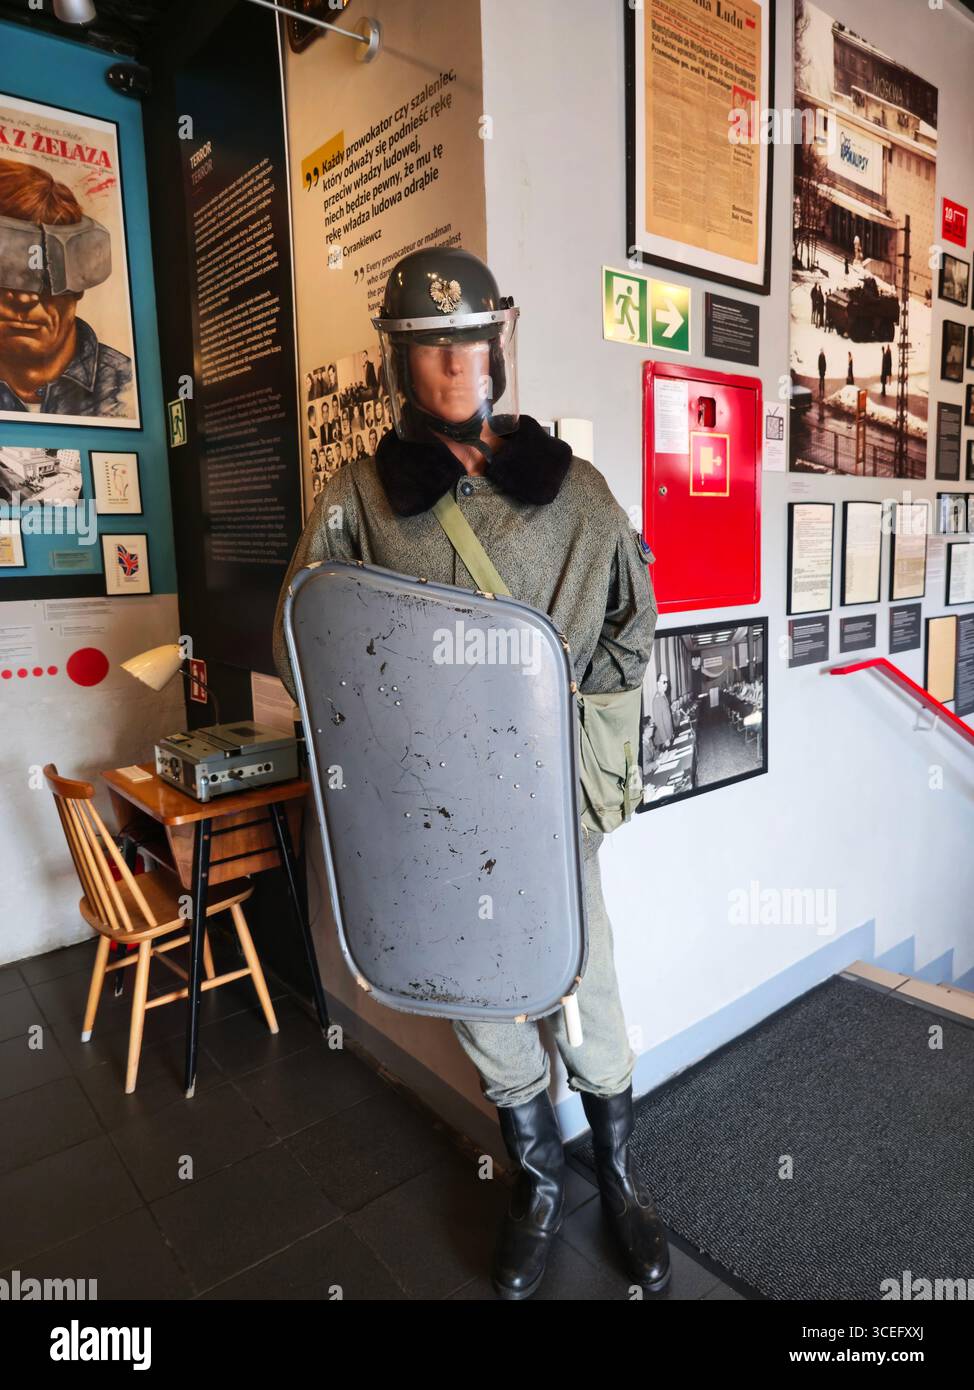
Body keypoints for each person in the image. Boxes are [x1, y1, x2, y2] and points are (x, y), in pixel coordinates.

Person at [272, 245, 667, 1302]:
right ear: (399, 359)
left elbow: (632, 628)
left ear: (499, 343)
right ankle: (536, 1181)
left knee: (587, 992)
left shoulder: (574, 493)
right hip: (434, 813)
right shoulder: (361, 497)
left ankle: (619, 1181)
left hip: (546, 813)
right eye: (430, 345)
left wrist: (579, 740)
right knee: (479, 999)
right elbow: (306, 639)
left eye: (470, 340)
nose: (455, 364)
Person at [0, 158, 135, 419]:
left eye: (47, 274)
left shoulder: (127, 391)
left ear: (78, 279)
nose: (25, 297)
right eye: (4, 270)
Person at [650, 674, 675, 749]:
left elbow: (667, 718)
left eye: (667, 682)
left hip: (668, 735)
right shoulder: (657, 699)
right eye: (664, 682)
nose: (666, 684)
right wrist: (665, 739)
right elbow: (659, 722)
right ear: (658, 683)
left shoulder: (663, 696)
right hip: (662, 741)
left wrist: (671, 732)